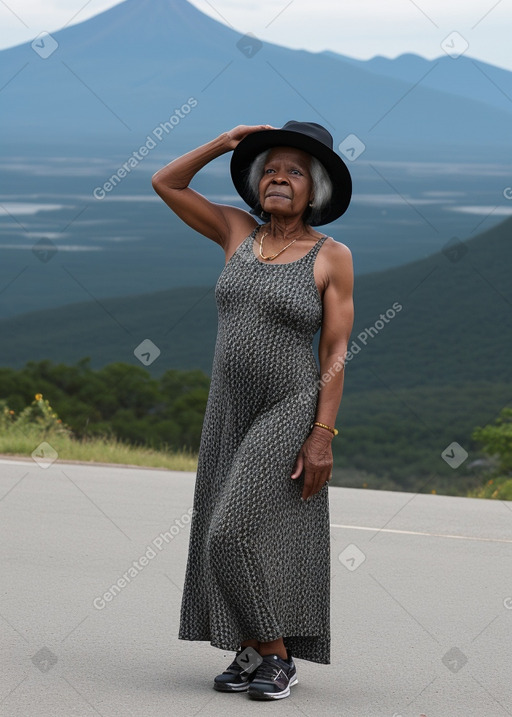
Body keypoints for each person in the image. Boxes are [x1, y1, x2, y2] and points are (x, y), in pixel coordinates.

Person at [151, 121, 354, 701]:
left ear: (314, 190)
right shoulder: (236, 231)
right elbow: (166, 182)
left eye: (293, 171)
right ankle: (248, 649)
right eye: (270, 169)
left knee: (230, 531)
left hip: (289, 407)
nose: (278, 178)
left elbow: (337, 351)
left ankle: (277, 655)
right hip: (228, 407)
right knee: (236, 528)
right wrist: (222, 143)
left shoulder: (330, 256)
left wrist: (322, 433)